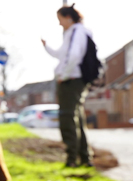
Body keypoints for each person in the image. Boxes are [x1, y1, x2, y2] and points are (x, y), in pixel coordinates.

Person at [43, 4, 93, 167]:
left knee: (67, 118)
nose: (59, 23)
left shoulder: (77, 32)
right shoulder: (72, 33)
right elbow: (61, 55)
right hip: (72, 79)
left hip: (71, 80)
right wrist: (46, 47)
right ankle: (84, 158)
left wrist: (63, 76)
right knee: (76, 118)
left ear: (68, 18)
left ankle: (72, 159)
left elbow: (74, 56)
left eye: (60, 19)